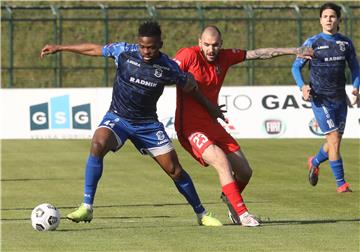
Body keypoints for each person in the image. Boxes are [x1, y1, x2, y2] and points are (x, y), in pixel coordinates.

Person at [40, 21, 224, 226]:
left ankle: (202, 214)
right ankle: (87, 207)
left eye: (151, 47)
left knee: (175, 170)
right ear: (138, 43)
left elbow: (191, 87)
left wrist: (210, 107)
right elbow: (95, 48)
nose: (146, 51)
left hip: (147, 125)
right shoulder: (124, 52)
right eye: (143, 46)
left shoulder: (168, 67)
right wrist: (60, 47)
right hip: (118, 118)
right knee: (97, 144)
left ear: (160, 44)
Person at [174, 25, 313, 227]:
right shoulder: (188, 55)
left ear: (221, 44)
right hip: (190, 127)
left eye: (215, 45)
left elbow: (258, 54)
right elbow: (168, 71)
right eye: (207, 45)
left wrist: (293, 51)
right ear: (199, 43)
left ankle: (229, 198)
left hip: (212, 123)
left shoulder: (225, 57)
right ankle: (243, 214)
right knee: (222, 163)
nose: (211, 49)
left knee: (245, 172)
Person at [292, 2, 359, 193]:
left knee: (333, 142)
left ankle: (314, 161)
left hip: (340, 99)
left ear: (339, 19)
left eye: (332, 16)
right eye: (325, 16)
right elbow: (296, 67)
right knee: (334, 140)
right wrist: (303, 86)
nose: (329, 19)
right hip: (320, 99)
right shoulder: (312, 43)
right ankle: (341, 184)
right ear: (320, 20)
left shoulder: (345, 43)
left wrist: (355, 87)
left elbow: (355, 67)